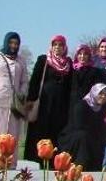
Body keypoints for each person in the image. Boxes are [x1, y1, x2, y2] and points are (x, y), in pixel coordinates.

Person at [24, 35, 73, 163]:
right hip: (44, 104)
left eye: (60, 45)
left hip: (61, 105)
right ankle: (39, 158)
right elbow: (35, 80)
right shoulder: (43, 60)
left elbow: (70, 85)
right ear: (51, 46)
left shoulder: (68, 63)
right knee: (42, 131)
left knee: (57, 131)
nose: (57, 47)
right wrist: (31, 99)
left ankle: (54, 161)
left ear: (64, 47)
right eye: (55, 45)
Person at [58, 83, 106, 171]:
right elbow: (79, 126)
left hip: (90, 136)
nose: (103, 97)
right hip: (73, 138)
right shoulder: (81, 105)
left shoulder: (102, 109)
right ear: (94, 92)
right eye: (100, 93)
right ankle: (80, 164)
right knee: (83, 135)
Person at [0, 32, 29, 164]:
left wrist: (21, 93)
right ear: (6, 42)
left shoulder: (21, 60)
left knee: (12, 134)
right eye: (11, 43)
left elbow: (24, 81)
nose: (13, 46)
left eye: (16, 43)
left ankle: (10, 163)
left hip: (14, 103)